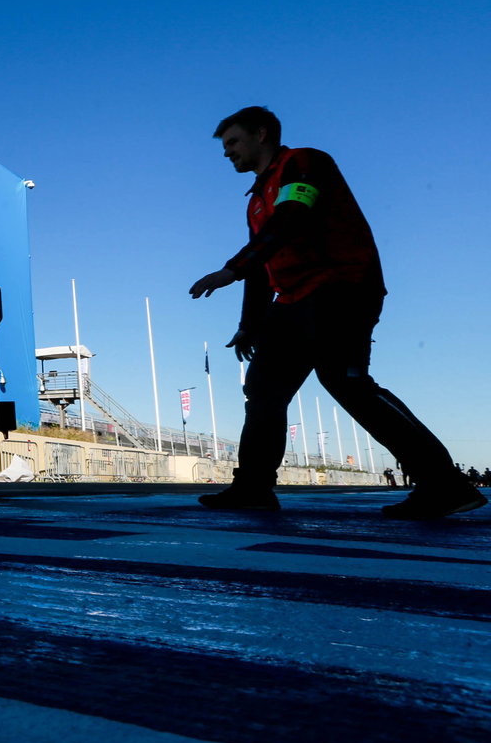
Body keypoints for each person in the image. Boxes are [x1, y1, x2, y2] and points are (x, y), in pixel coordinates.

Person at [188, 106, 484, 520]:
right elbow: (263, 264)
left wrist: (231, 269)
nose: (227, 152)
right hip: (292, 301)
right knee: (263, 389)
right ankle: (252, 488)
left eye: (233, 141)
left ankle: (445, 484)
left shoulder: (304, 163)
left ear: (261, 134)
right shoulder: (256, 201)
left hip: (341, 288)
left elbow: (292, 219)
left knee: (346, 382)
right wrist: (248, 325)